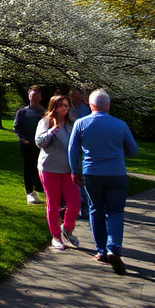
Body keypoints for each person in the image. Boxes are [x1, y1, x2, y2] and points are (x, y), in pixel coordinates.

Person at [68, 89, 138, 274]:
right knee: (115, 211)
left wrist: (75, 171)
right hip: (116, 173)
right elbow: (133, 150)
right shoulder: (120, 125)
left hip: (92, 173)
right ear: (109, 105)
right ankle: (113, 247)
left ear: (91, 105)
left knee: (96, 209)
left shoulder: (81, 123)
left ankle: (101, 251)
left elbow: (73, 150)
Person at [35, 94, 82, 251]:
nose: (65, 108)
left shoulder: (71, 123)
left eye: (67, 105)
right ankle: (56, 237)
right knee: (53, 204)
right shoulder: (46, 121)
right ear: (54, 106)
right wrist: (52, 131)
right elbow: (39, 142)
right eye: (62, 105)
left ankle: (67, 229)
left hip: (68, 170)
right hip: (50, 168)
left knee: (75, 203)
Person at [14, 86, 46, 204]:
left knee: (41, 168)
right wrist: (22, 139)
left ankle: (41, 190)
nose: (36, 96)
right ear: (29, 97)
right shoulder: (22, 112)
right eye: (33, 94)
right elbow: (17, 128)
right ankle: (29, 193)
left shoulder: (45, 112)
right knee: (28, 168)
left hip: (42, 146)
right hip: (27, 145)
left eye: (38, 94)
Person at [67, 87, 91, 220]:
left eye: (76, 95)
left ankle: (85, 208)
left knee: (80, 179)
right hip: (67, 144)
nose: (73, 97)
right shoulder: (68, 107)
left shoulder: (84, 110)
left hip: (80, 147)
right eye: (72, 95)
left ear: (80, 96)